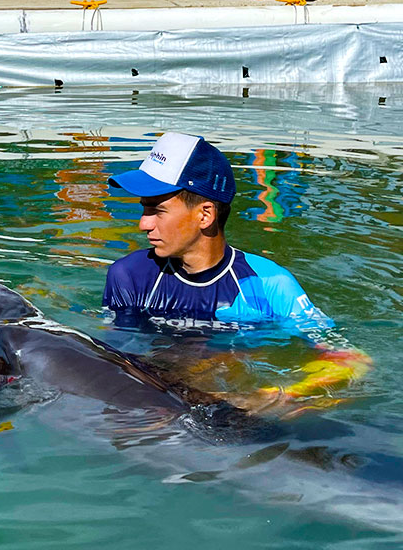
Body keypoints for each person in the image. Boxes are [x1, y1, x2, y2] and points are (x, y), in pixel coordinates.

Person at [103, 132, 370, 414]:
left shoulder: (267, 285)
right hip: (161, 406)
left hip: (235, 406)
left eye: (157, 210)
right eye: (144, 209)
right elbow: (113, 362)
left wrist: (275, 396)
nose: (143, 224)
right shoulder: (129, 276)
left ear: (205, 215)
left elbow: (351, 361)